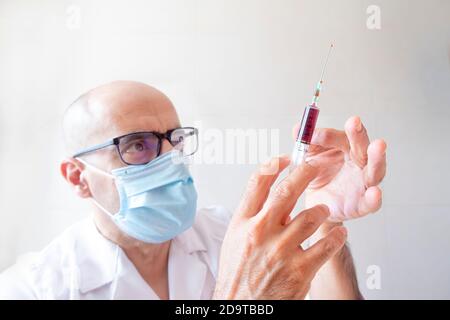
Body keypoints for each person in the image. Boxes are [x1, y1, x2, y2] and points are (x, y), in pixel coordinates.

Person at [0, 81, 387, 299]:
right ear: (77, 177)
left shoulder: (233, 237)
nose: (171, 160)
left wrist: (321, 218)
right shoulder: (33, 289)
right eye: (137, 144)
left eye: (176, 140)